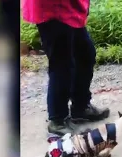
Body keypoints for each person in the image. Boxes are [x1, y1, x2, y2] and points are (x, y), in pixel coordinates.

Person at [22, 0, 110, 135]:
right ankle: (57, 121)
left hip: (68, 8)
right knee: (62, 64)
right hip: (53, 9)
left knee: (85, 54)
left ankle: (80, 107)